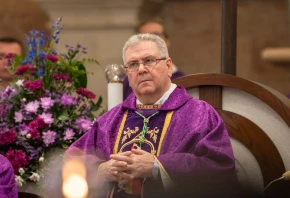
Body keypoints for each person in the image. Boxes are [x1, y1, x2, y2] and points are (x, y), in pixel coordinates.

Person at [66, 33, 238, 198]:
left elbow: (221, 170)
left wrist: (158, 167)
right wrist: (101, 169)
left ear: (168, 66)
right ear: (128, 73)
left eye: (149, 61)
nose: (141, 69)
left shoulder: (200, 115)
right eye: (133, 64)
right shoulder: (110, 121)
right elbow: (70, 161)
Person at [123, 18, 185, 100]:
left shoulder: (183, 79)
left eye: (156, 35)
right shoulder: (128, 82)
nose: (151, 40)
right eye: (145, 36)